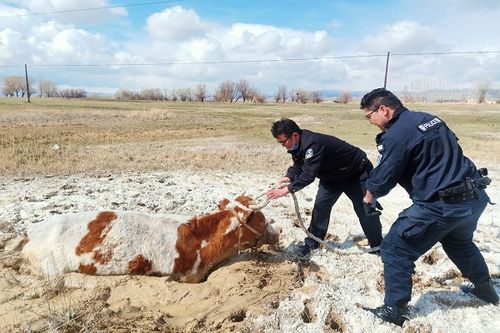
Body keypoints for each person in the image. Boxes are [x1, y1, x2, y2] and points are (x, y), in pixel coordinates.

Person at [360, 88, 498, 326]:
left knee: (394, 247)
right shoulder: (429, 118)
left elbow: (382, 180)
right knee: (459, 243)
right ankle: (485, 290)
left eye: (369, 116)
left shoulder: (396, 136)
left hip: (442, 206)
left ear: (383, 109)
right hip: (473, 198)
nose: (370, 121)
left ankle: (394, 310)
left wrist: (369, 197)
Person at [266, 118, 383, 257]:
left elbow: (308, 175)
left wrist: (286, 190)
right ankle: (312, 243)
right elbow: (299, 165)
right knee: (321, 207)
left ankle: (377, 246)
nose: (283, 146)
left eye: (283, 142)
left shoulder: (313, 144)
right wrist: (289, 177)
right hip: (331, 177)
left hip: (356, 174)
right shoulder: (296, 145)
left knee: (365, 209)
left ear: (295, 135)